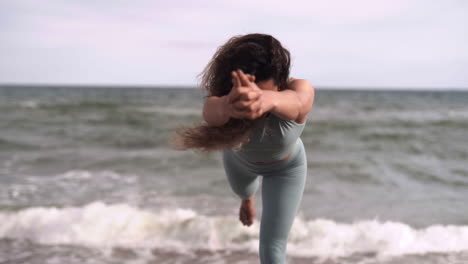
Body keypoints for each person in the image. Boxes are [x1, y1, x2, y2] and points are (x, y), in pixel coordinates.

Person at [170, 33, 315, 264]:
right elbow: (210, 113)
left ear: (280, 81)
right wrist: (230, 104)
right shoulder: (225, 99)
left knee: (272, 248)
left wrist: (263, 100)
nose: (252, 104)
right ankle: (247, 199)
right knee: (243, 191)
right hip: (239, 163)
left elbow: (298, 102)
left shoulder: (298, 89)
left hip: (286, 169)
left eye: (264, 90)